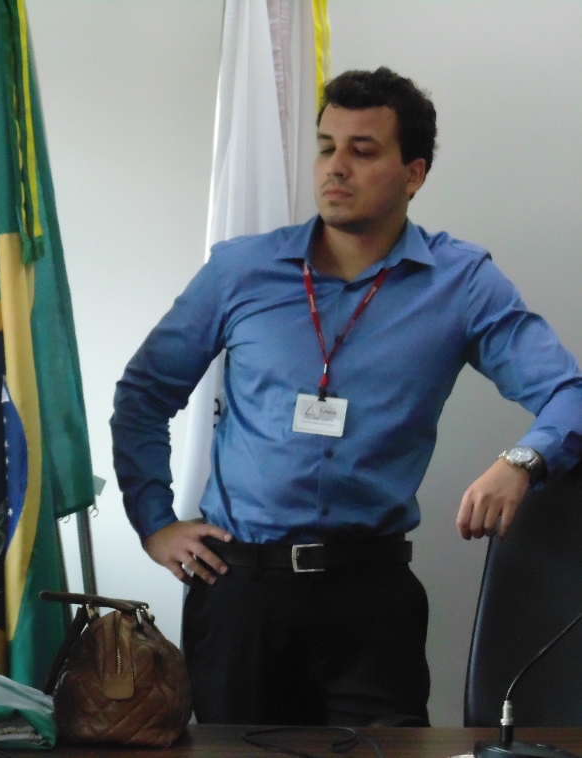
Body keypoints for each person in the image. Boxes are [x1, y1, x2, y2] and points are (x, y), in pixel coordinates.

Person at [111, 67, 582, 727]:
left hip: (371, 598)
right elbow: (143, 393)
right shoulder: (240, 270)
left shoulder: (461, 282)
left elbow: (568, 393)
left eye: (362, 150)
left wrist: (522, 462)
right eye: (327, 147)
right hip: (240, 590)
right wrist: (154, 522)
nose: (336, 166)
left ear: (413, 174)